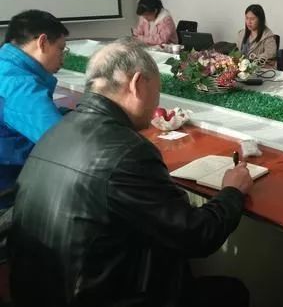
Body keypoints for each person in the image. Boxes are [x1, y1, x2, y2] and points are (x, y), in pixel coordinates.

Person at [9, 39, 252, 307]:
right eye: (157, 92)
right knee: (232, 292)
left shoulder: (57, 129)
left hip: (38, 291)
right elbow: (197, 236)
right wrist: (232, 192)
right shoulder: (129, 152)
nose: (156, 103)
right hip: (94, 296)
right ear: (137, 84)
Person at [0, 9, 69, 208]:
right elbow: (65, 144)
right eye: (61, 49)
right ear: (42, 42)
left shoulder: (6, 67)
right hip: (11, 195)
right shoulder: (20, 87)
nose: (62, 59)